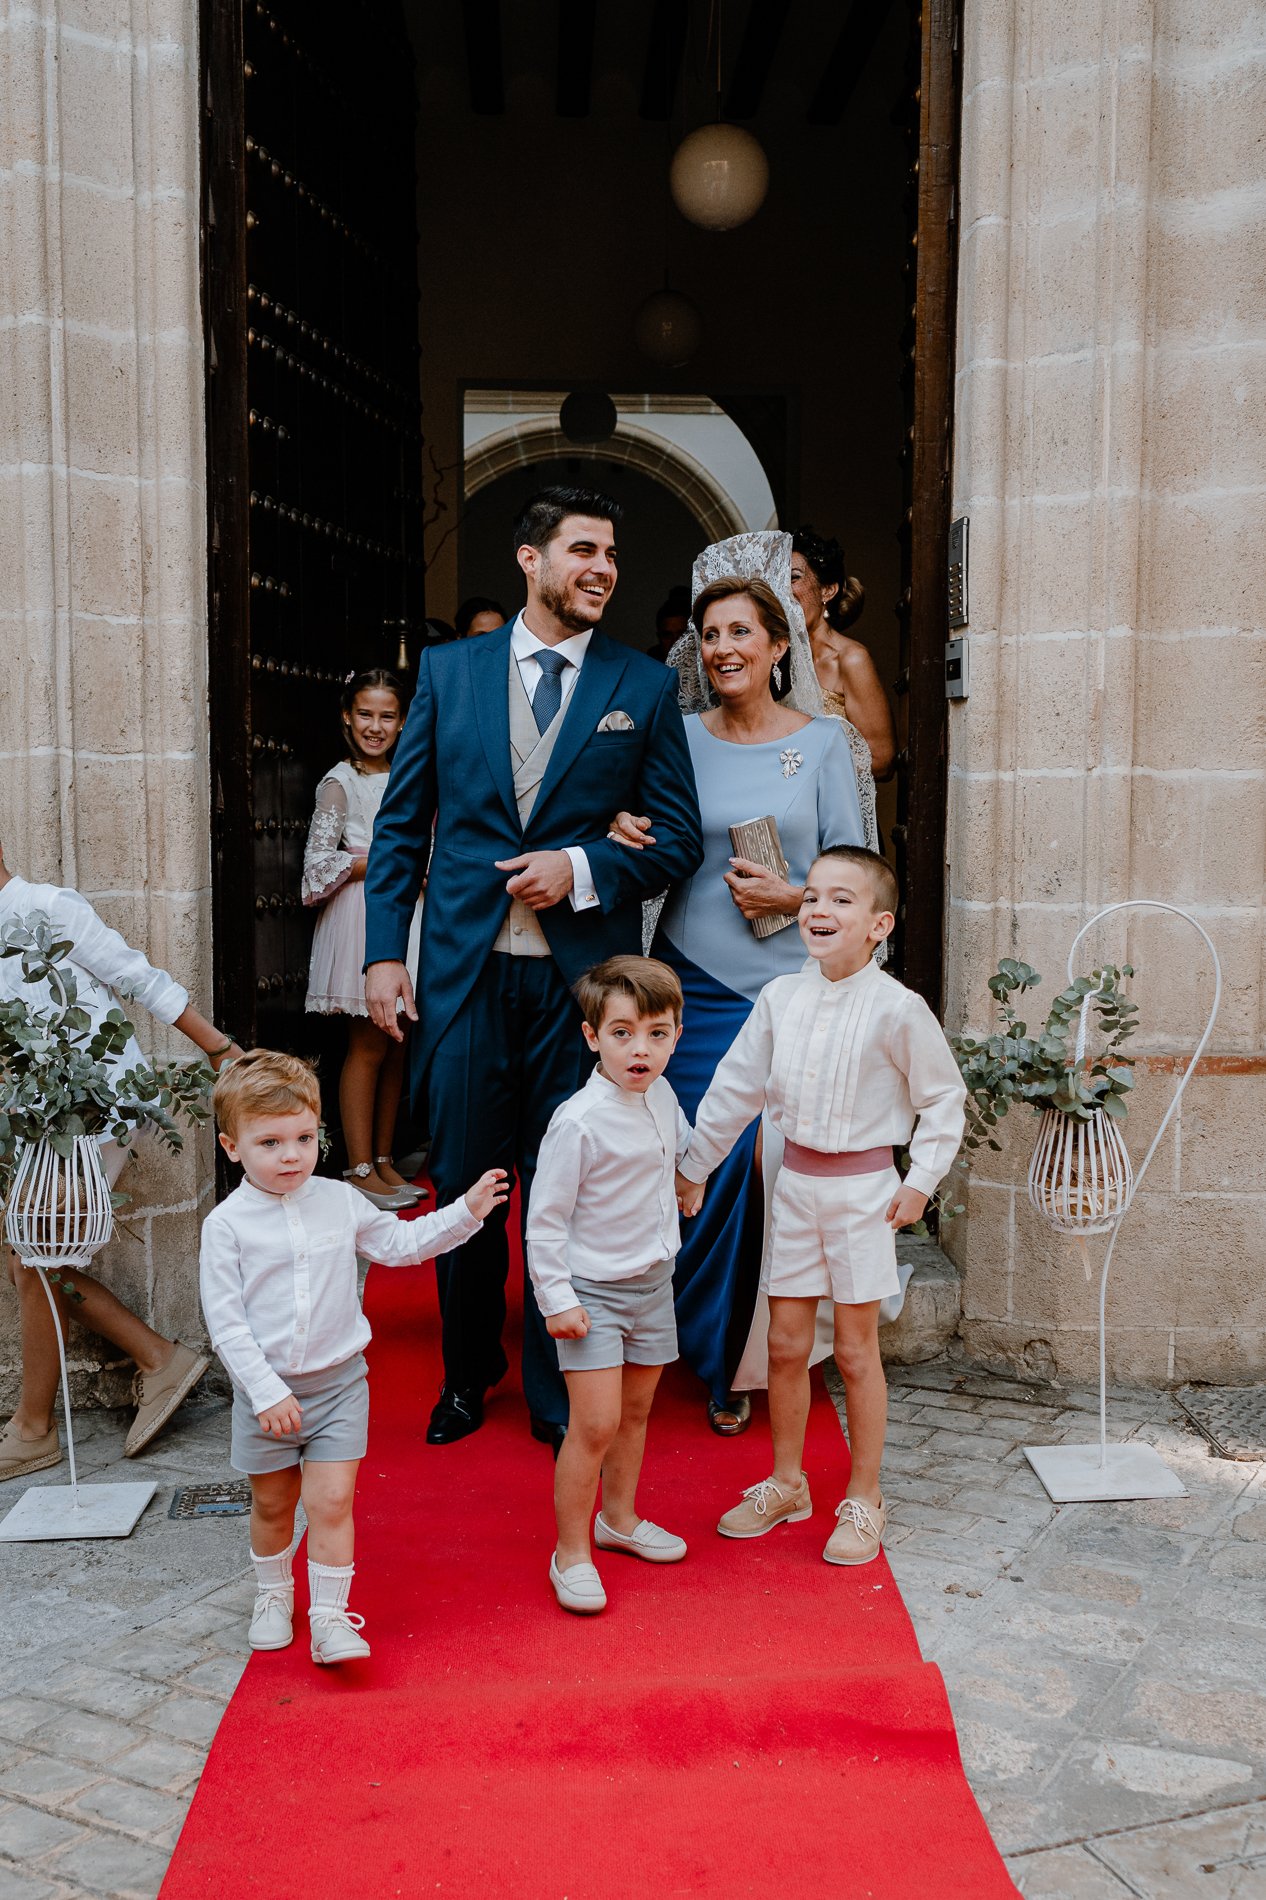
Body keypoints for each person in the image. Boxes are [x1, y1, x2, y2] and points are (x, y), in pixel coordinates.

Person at [363, 486, 703, 1452]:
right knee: (467, 1181)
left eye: (612, 557)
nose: (603, 569)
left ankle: (561, 1392)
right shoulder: (449, 670)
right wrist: (387, 951)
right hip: (467, 972)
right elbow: (402, 825)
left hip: (580, 990)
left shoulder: (639, 687)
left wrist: (585, 865)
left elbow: (675, 836)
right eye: (584, 550)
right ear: (531, 559)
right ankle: (467, 1377)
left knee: (574, 1185)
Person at [610, 532, 864, 1438]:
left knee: (769, 1174)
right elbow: (645, 829)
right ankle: (687, 1334)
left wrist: (801, 895)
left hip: (791, 989)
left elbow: (856, 868)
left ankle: (733, 1364)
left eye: (741, 633)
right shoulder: (671, 736)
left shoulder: (828, 743)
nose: (723, 648)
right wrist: (626, 830)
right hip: (695, 987)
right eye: (710, 634)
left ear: (779, 644)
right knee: (697, 1167)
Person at [676, 847, 966, 1565]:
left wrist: (919, 1181)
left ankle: (865, 1497)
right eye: (810, 898)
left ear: (879, 925)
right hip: (796, 1188)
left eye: (841, 900)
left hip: (864, 1195)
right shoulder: (781, 998)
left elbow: (943, 1100)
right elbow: (736, 1089)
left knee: (860, 1350)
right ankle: (786, 1482)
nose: (819, 911)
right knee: (784, 1344)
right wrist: (693, 1168)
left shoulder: (899, 1009)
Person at [200, 1050, 507, 1662]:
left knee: (332, 1500)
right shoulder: (226, 1226)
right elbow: (227, 1326)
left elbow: (400, 1245)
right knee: (272, 1502)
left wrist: (465, 1214)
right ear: (232, 1146)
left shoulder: (339, 1201)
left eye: (304, 1138)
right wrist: (266, 1392)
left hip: (340, 1385)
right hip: (269, 1395)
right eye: (270, 1142)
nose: (291, 1155)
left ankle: (332, 1616)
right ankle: (272, 1593)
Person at [0, 841, 244, 1481]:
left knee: (36, 1256)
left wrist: (220, 1050)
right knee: (32, 1254)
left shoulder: (46, 908)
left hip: (95, 1109)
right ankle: (158, 1358)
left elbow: (138, 977)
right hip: (35, 1119)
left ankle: (34, 1427)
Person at [527, 955, 690, 1615]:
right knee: (592, 1424)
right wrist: (557, 1300)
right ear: (593, 1037)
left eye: (656, 1033)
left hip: (653, 1282)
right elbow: (544, 1223)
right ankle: (570, 1553)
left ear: (677, 1033)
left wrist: (690, 1177)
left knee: (637, 1412)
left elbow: (678, 1145)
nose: (640, 1048)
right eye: (622, 1033)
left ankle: (617, 1520)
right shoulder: (578, 1122)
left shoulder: (665, 1095)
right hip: (592, 1291)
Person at [303, 669, 421, 1211]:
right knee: (368, 1044)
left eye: (388, 716)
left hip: (406, 912)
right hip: (362, 915)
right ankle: (357, 1168)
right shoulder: (339, 782)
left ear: (403, 720)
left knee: (398, 1044)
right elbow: (315, 869)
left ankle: (386, 1156)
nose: (376, 727)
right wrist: (384, 862)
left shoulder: (409, 773)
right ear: (348, 717)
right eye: (366, 715)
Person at [790, 525, 896, 797]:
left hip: (838, 817)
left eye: (793, 577)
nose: (782, 589)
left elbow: (882, 762)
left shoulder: (850, 659)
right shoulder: (774, 659)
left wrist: (800, 766)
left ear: (828, 590)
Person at [646, 585, 691, 662]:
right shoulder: (649, 665)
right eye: (667, 636)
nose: (675, 642)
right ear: (659, 638)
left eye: (682, 635)